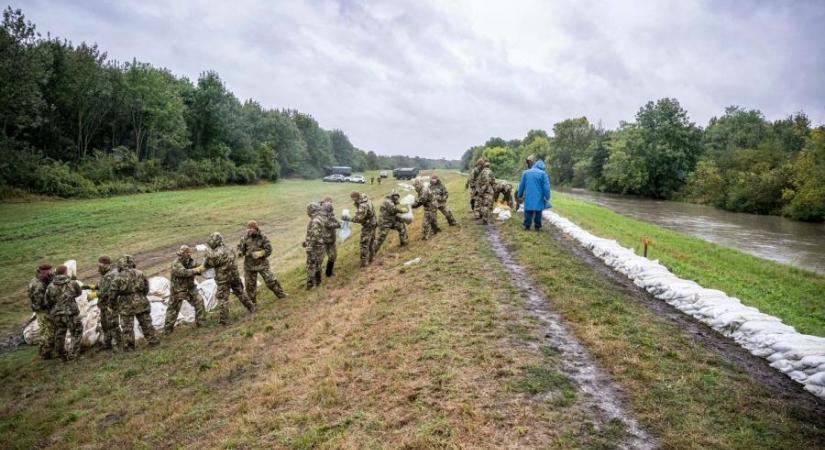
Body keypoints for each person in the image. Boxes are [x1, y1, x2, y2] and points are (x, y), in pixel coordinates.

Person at [204, 232, 256, 324]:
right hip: (234, 276)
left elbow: (209, 264)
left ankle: (224, 319)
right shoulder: (229, 248)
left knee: (223, 298)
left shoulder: (215, 253)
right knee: (240, 292)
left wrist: (207, 252)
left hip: (223, 279)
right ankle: (251, 307)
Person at [113, 255, 160, 350]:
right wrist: (140, 295)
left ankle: (129, 347)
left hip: (126, 305)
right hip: (141, 301)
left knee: (127, 328)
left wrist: (113, 304)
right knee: (146, 323)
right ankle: (153, 341)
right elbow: (146, 288)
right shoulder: (140, 273)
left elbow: (113, 293)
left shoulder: (118, 277)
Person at [237, 220, 287, 304]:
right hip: (249, 266)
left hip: (262, 264)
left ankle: (281, 294)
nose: (249, 231)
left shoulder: (263, 237)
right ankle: (253, 304)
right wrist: (240, 252)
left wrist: (261, 253)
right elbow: (240, 249)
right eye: (248, 229)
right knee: (250, 286)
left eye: (251, 229)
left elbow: (269, 249)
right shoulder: (244, 238)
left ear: (255, 228)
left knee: (271, 281)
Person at [164, 245, 207, 335]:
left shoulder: (191, 261)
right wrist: (197, 270)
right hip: (178, 290)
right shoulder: (176, 263)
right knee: (173, 310)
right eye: (185, 253)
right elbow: (184, 273)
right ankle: (167, 331)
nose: (187, 255)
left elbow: (200, 267)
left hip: (190, 288)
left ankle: (201, 324)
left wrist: (205, 263)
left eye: (188, 253)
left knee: (199, 302)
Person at [46, 265, 83, 360]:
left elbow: (47, 301)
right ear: (65, 272)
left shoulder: (50, 286)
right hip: (70, 313)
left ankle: (59, 354)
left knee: (60, 334)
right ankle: (73, 354)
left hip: (57, 314)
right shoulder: (72, 283)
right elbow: (79, 293)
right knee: (76, 332)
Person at [90, 256, 120, 350]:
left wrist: (94, 295)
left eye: (100, 265)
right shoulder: (107, 274)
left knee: (113, 325)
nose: (98, 268)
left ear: (106, 265)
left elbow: (107, 291)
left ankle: (117, 344)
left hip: (109, 304)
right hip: (104, 304)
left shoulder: (110, 275)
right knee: (105, 325)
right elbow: (104, 286)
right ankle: (107, 344)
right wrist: (94, 286)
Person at [27, 264, 55, 359]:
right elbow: (41, 302)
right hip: (43, 311)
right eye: (49, 272)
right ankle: (45, 353)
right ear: (43, 272)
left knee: (46, 331)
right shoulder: (38, 285)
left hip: (42, 310)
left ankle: (45, 351)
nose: (51, 274)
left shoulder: (38, 280)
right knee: (48, 332)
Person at [517, 159, 551, 231]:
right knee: (538, 211)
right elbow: (546, 187)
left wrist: (519, 194)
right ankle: (537, 227)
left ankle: (527, 226)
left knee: (528, 210)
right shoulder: (543, 174)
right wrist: (547, 196)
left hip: (529, 195)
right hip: (539, 195)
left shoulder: (526, 173)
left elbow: (521, 185)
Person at [372, 190, 409, 255]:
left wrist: (401, 217)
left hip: (391, 221)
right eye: (395, 196)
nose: (397, 198)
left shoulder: (392, 201)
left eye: (397, 196)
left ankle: (404, 242)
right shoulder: (388, 201)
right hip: (384, 223)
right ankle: (372, 253)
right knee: (380, 238)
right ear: (392, 196)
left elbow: (394, 210)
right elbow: (393, 210)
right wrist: (402, 210)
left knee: (401, 227)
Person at [349, 191, 377, 267]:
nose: (353, 201)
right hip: (373, 222)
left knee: (364, 243)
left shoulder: (363, 205)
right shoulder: (367, 200)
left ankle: (364, 262)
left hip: (368, 225)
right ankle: (372, 257)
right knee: (371, 241)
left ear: (356, 197)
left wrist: (349, 219)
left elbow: (359, 218)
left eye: (353, 199)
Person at [303, 203, 326, 289]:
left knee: (311, 265)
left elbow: (315, 235)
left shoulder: (315, 221)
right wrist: (306, 242)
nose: (307, 213)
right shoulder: (320, 218)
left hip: (315, 247)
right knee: (317, 264)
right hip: (320, 245)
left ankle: (311, 284)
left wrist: (310, 245)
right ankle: (318, 282)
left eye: (308, 211)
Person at [320, 198, 341, 277]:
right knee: (319, 259)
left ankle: (329, 273)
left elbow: (334, 219)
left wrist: (338, 222)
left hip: (331, 239)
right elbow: (328, 224)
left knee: (333, 256)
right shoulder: (322, 216)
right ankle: (315, 276)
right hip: (324, 240)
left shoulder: (330, 213)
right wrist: (339, 224)